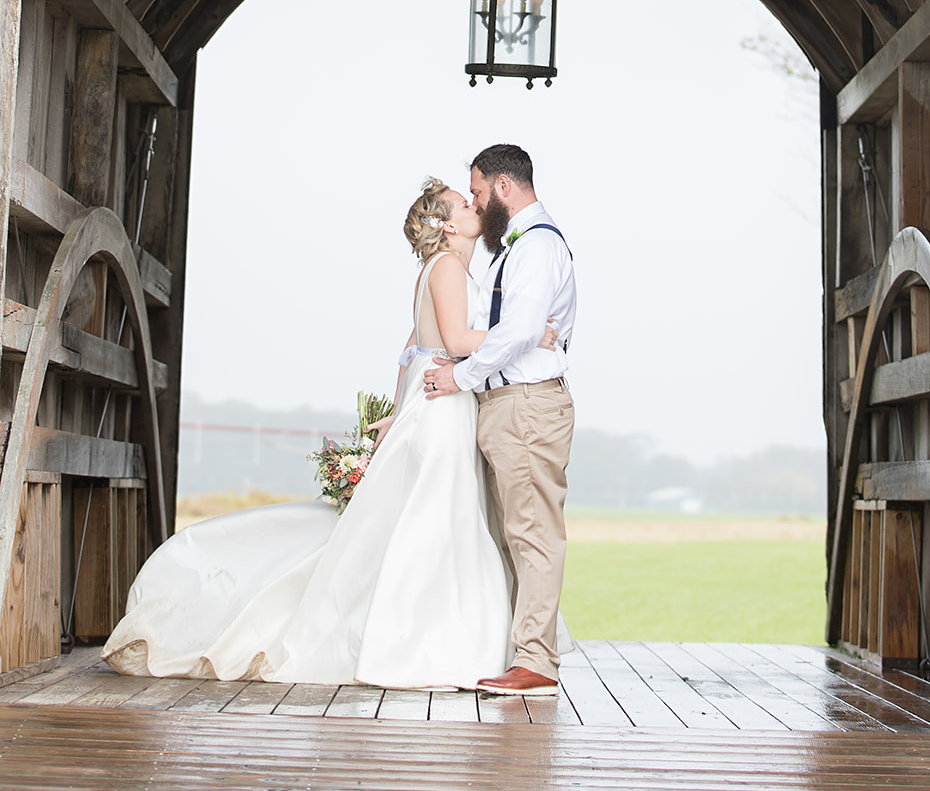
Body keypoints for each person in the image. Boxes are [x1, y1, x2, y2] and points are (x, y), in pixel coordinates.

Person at [101, 179, 556, 689]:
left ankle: (441, 635)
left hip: (436, 401)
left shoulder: (447, 269)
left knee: (431, 519)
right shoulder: (449, 267)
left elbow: (413, 348)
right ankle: (428, 641)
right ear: (448, 224)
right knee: (437, 520)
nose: (475, 204)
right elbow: (453, 340)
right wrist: (528, 331)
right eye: (463, 200)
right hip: (444, 409)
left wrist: (399, 406)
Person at [426, 143, 576, 699]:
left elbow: (516, 332)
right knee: (510, 534)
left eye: (479, 192)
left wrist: (460, 378)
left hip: (528, 405)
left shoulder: (536, 247)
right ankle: (518, 650)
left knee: (532, 532)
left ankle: (536, 661)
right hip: (508, 406)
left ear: (504, 189)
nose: (474, 202)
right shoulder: (514, 246)